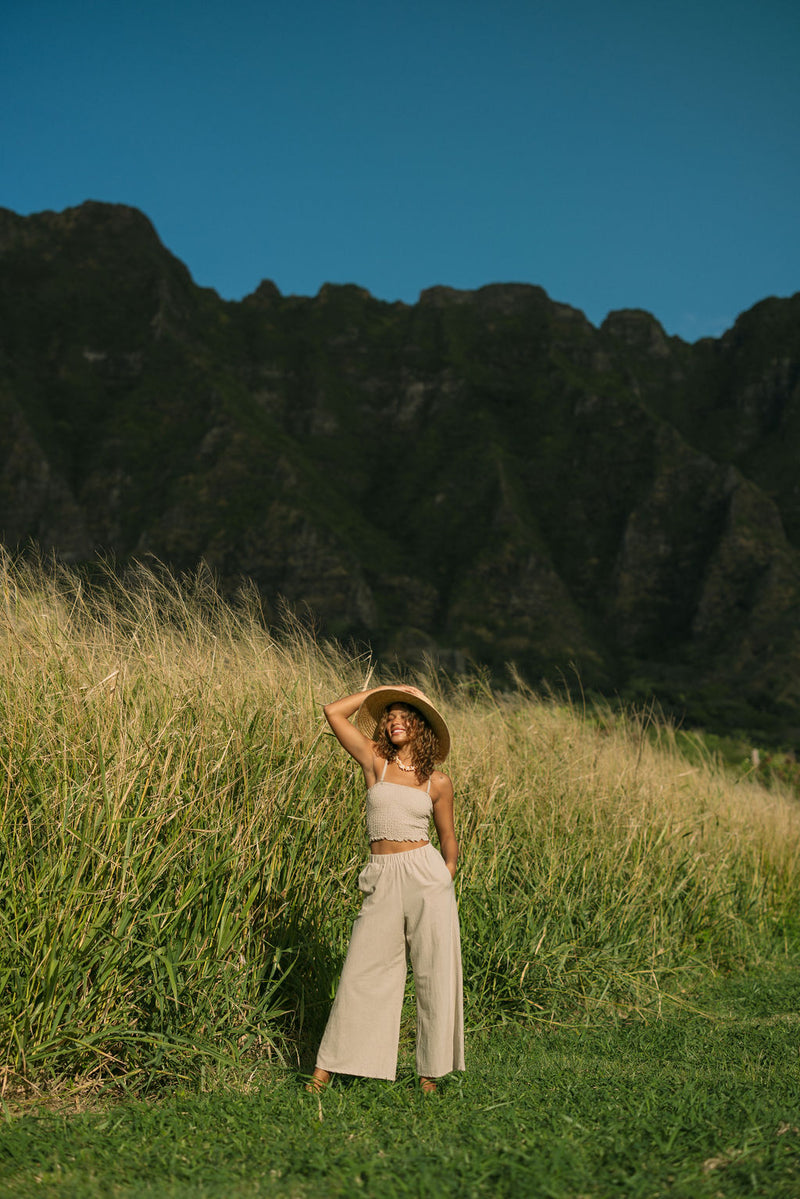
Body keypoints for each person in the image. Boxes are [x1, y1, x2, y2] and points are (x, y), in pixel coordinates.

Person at [307, 684, 465, 1094]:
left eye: (404, 714)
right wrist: (383, 691)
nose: (394, 720)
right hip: (383, 874)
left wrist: (445, 873)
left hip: (426, 876)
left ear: (421, 726)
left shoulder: (438, 783)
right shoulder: (375, 761)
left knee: (434, 971)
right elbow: (332, 712)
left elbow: (449, 838)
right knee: (362, 970)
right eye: (389, 714)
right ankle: (330, 1066)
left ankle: (430, 1072)